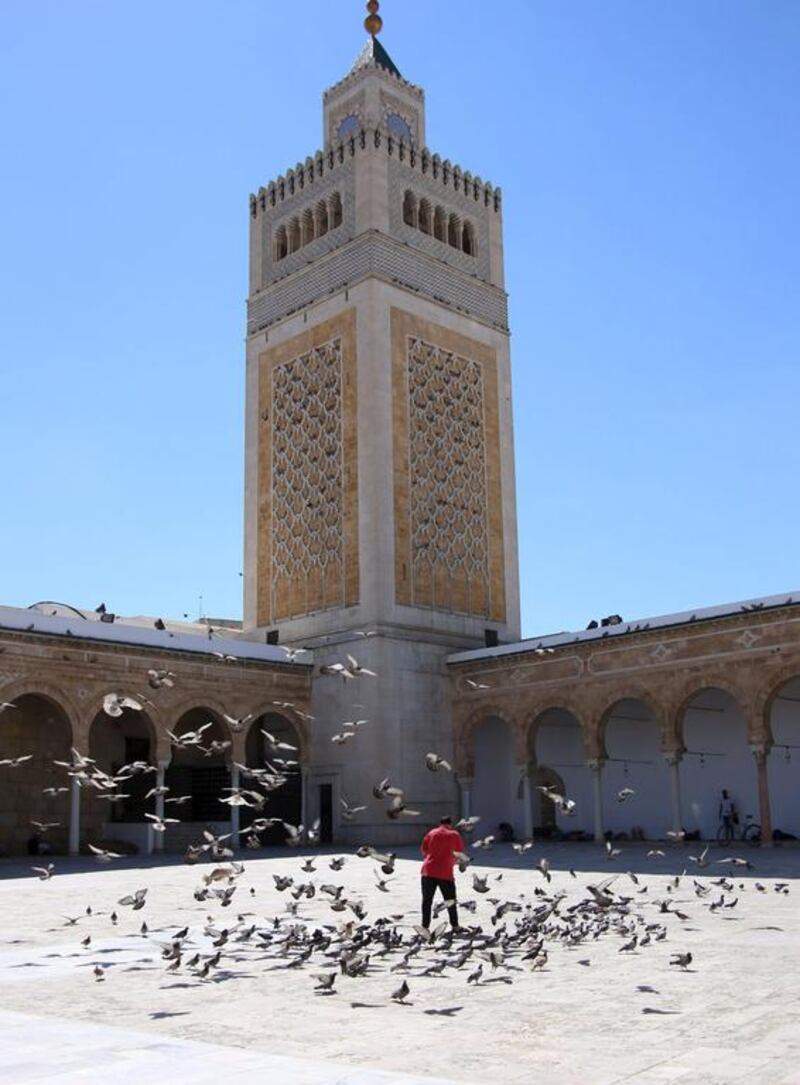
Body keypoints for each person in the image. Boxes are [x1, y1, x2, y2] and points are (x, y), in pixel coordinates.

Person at [420, 816, 465, 930]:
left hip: (428, 870)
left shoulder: (432, 833)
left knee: (427, 901)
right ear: (450, 824)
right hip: (445, 872)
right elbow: (459, 852)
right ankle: (455, 925)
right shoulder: (454, 834)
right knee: (450, 900)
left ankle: (425, 927)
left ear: (440, 823)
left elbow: (424, 850)